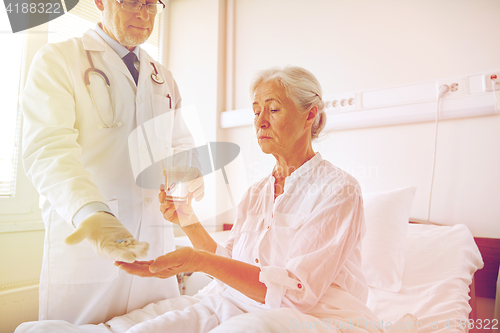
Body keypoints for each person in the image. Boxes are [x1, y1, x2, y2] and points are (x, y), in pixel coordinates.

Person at [16, 66, 382, 333]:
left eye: (273, 109)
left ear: (310, 115)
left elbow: (297, 292)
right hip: (238, 301)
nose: (260, 122)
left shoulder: (339, 190)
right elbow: (229, 263)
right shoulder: (258, 192)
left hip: (314, 316)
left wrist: (198, 260)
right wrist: (187, 220)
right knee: (146, 329)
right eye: (256, 112)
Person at [21, 0, 204, 325]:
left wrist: (186, 175)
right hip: (90, 243)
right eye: (133, 1)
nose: (143, 13)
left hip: (154, 239)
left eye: (152, 4)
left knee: (159, 326)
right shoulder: (59, 59)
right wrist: (90, 212)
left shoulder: (162, 77)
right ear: (100, 2)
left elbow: (180, 142)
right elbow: (48, 148)